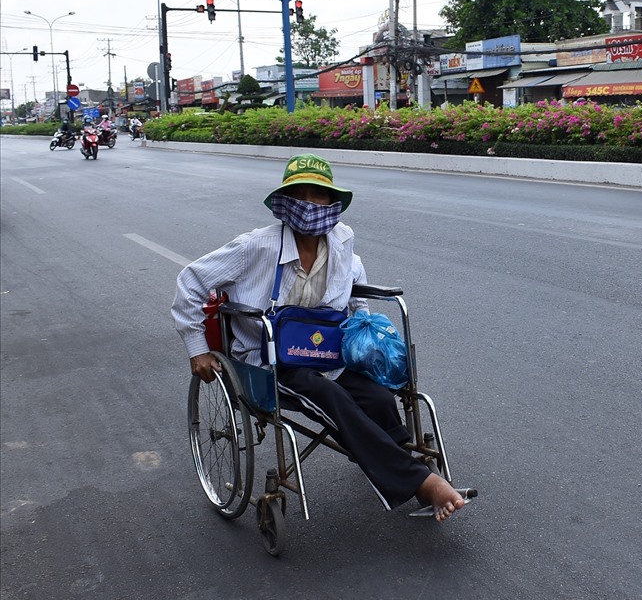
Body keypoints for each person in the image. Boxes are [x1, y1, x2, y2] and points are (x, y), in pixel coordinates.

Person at [171, 154, 465, 522]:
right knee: (331, 397)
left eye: (319, 196)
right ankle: (421, 482)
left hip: (326, 354)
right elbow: (191, 280)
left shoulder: (342, 241)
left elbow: (354, 284)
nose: (310, 205)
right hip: (271, 365)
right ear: (286, 203)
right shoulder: (256, 246)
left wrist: (362, 329)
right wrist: (197, 349)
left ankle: (399, 458)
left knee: (376, 396)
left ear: (332, 202)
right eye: (301, 195)